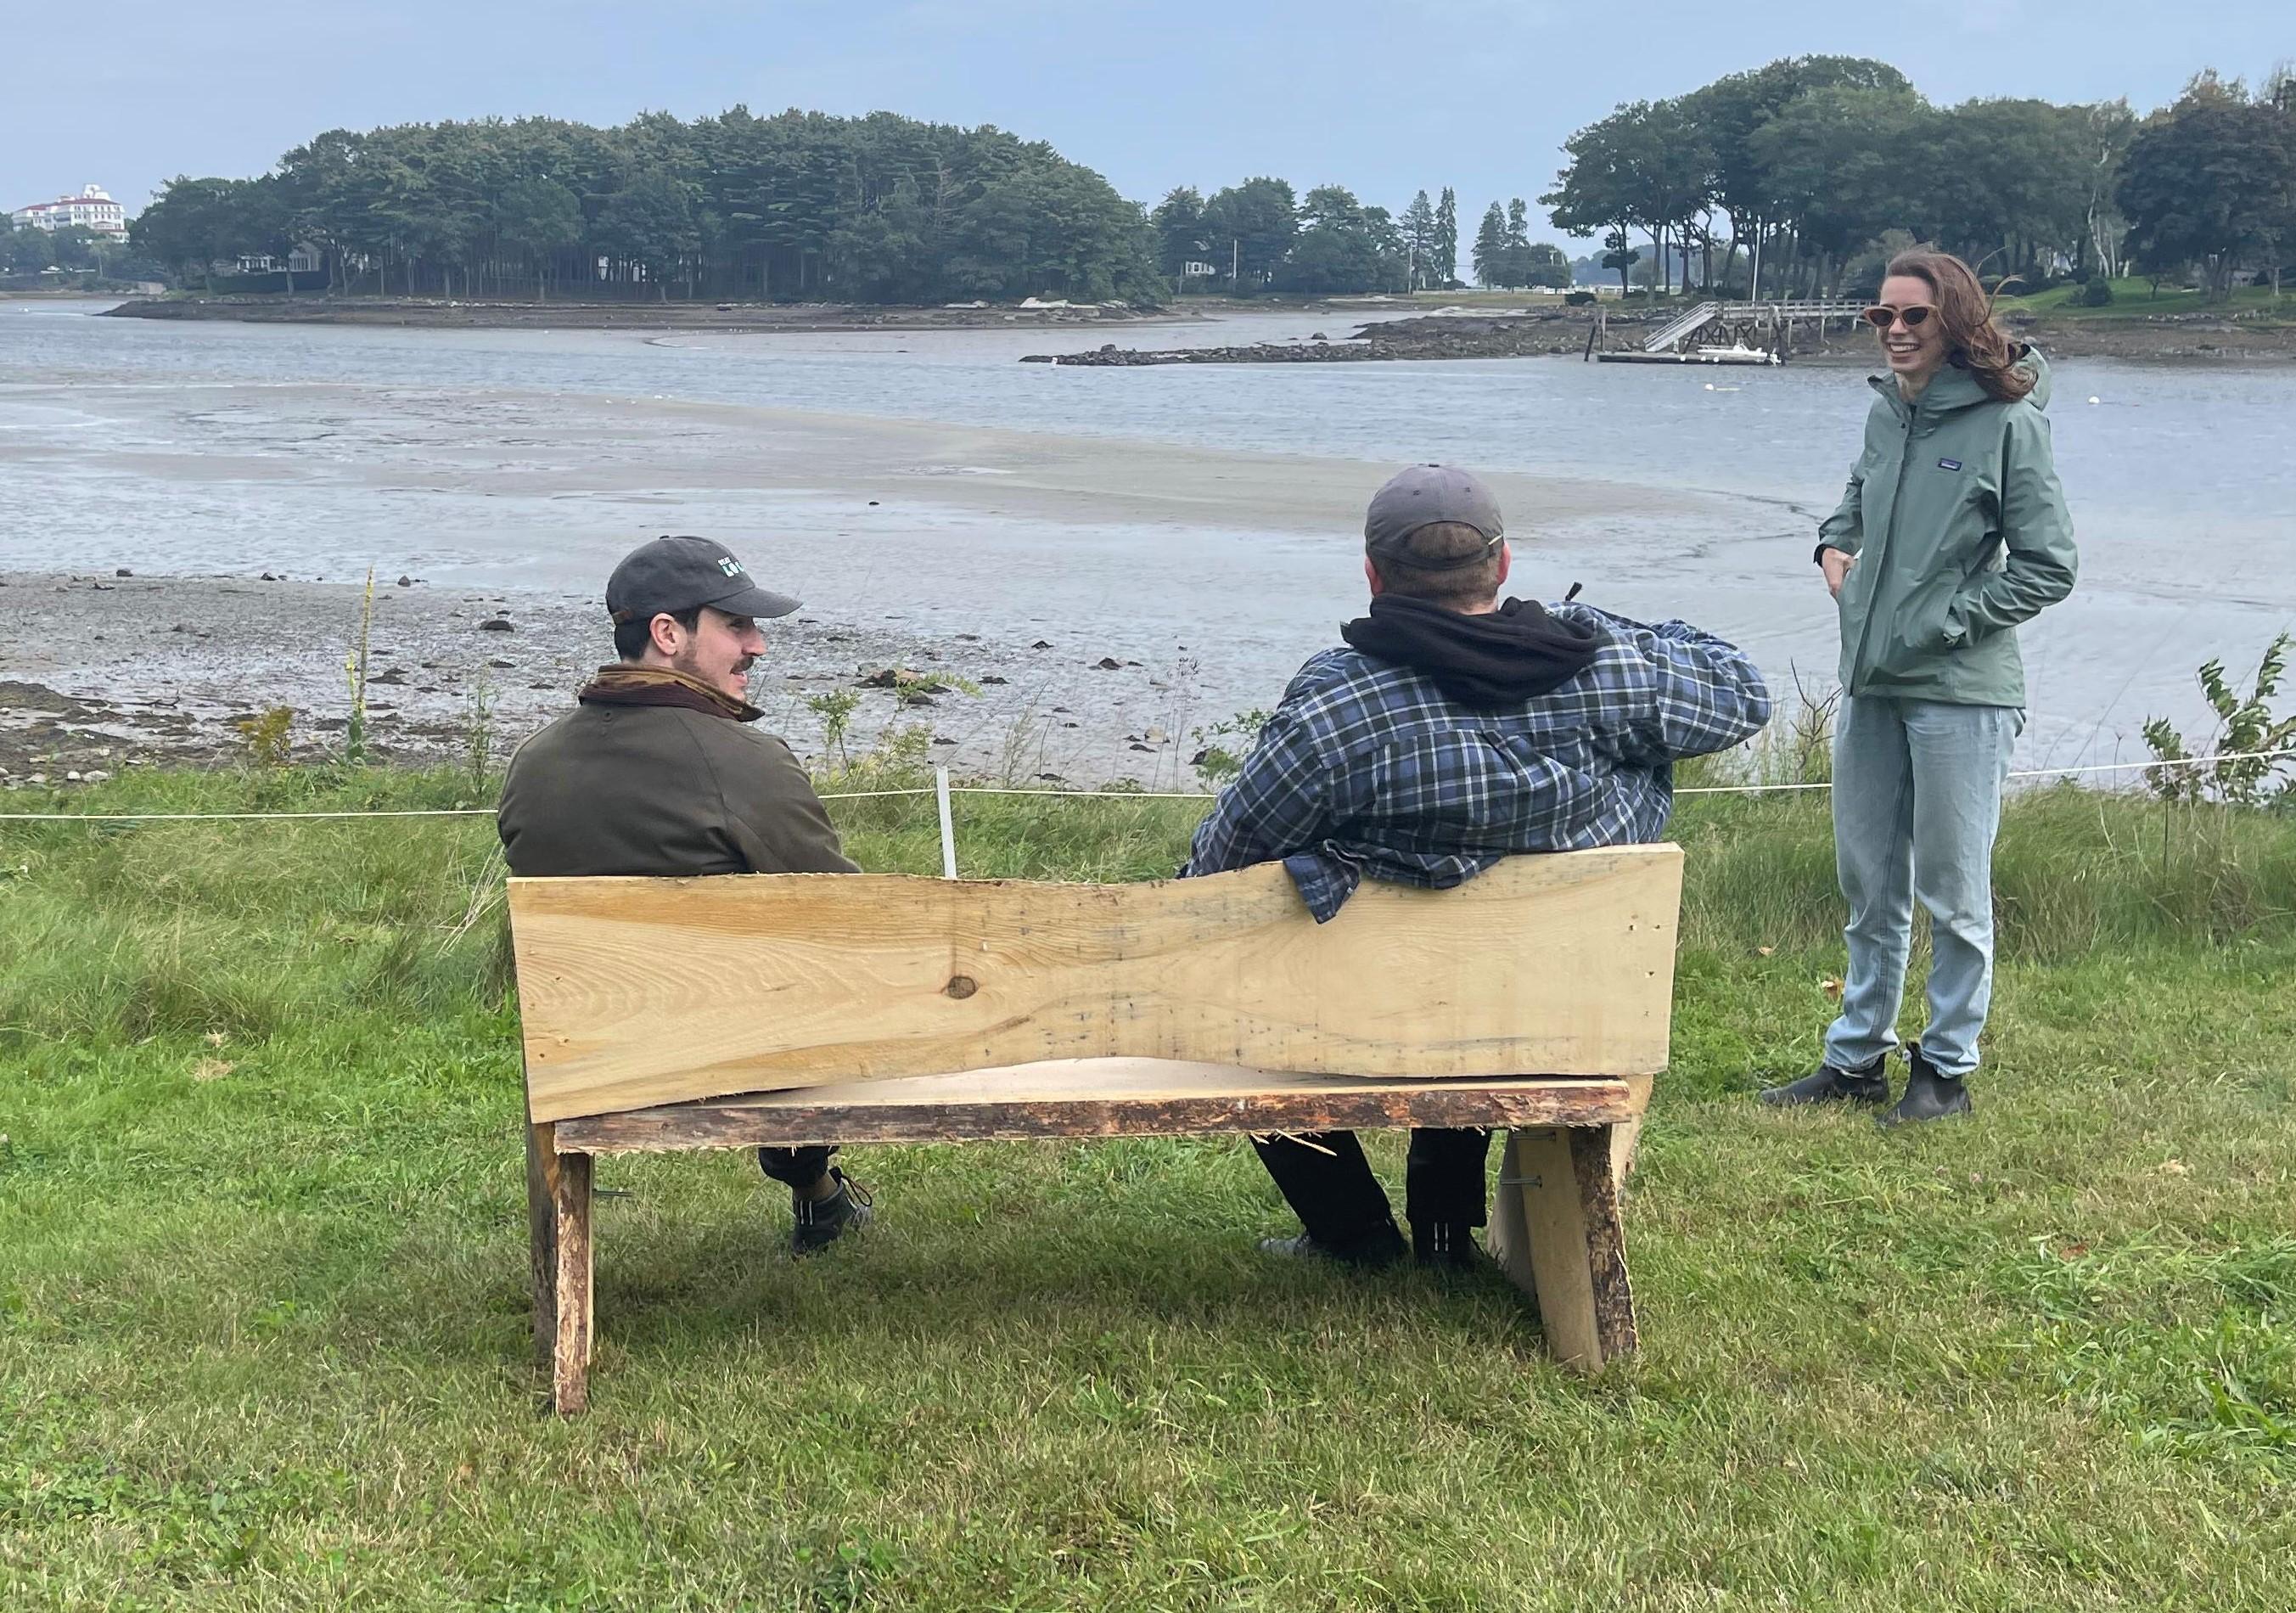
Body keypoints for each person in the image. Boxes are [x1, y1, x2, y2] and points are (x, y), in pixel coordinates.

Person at [1185, 464, 1772, 1268]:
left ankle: (1352, 1237)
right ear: (1501, 565)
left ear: (1373, 575)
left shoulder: (1337, 705)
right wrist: (1591, 619)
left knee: (1246, 993)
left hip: (1363, 1013)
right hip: (1557, 1013)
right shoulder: (1607, 665)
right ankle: (1441, 1233)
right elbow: (1742, 687)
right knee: (1475, 984)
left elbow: (1222, 865)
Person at [1760, 250, 2076, 1127]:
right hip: (1868, 682)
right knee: (1867, 881)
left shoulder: (2007, 426)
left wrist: (1939, 623)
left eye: (1913, 317)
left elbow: (2049, 567)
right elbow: (1852, 502)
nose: (1894, 330)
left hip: (1959, 691)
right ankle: (1854, 1056)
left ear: (1957, 324)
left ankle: (1943, 1071)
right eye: (1880, 317)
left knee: (1951, 887)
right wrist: (1829, 545)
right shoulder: (1882, 414)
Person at [498, 535, 873, 1252]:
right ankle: (811, 1182)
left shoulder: (532, 762)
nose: (757, 646)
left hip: (584, 1059)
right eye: (735, 625)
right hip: (734, 1054)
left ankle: (818, 1194)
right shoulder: (742, 759)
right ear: (668, 635)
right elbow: (850, 917)